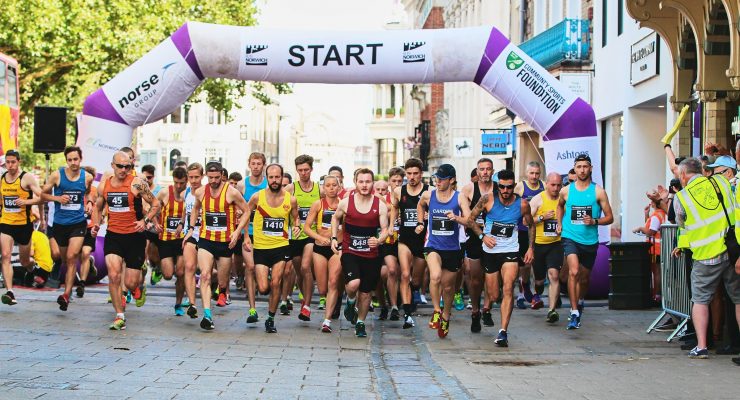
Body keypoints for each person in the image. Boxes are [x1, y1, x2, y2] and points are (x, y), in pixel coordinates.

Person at [668, 157, 740, 361]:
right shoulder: (722, 182)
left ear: (683, 175)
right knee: (738, 298)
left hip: (705, 255)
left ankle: (701, 346)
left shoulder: (681, 197)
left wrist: (682, 246)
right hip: (731, 249)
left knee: (700, 299)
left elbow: (682, 223)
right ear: (702, 170)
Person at [92, 151, 161, 330]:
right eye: (120, 166)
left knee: (130, 283)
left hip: (135, 236)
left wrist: (144, 221)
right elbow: (98, 206)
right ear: (112, 165)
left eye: (128, 166)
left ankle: (138, 287)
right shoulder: (105, 185)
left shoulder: (137, 184)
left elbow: (156, 204)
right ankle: (119, 315)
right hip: (114, 236)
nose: (124, 170)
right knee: (114, 275)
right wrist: (95, 224)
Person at [469, 169, 535, 347]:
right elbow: (470, 220)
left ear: (514, 186)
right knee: (494, 294)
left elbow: (531, 225)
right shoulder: (487, 199)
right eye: (503, 187)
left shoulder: (522, 204)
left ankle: (503, 331)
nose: (506, 191)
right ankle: (486, 308)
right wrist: (483, 236)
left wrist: (530, 248)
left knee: (508, 288)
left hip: (510, 250)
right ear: (498, 186)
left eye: (509, 187)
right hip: (490, 251)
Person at [184, 161, 250, 330]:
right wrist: (191, 229)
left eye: (216, 177)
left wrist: (237, 232)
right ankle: (207, 315)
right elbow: (195, 210)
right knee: (205, 275)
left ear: (222, 175)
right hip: (206, 240)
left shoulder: (231, 192)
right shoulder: (200, 192)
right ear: (206, 176)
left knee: (223, 280)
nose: (213, 181)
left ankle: (222, 290)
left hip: (225, 243)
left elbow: (247, 210)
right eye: (210, 177)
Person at [556, 154, 614, 330]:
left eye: (585, 166)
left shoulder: (598, 191)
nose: (582, 170)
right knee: (573, 271)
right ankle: (574, 313)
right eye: (579, 166)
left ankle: (580, 301)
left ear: (591, 169)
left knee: (584, 276)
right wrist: (559, 224)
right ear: (575, 168)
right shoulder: (566, 190)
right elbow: (559, 206)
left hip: (589, 240)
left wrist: (595, 221)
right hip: (569, 236)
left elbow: (610, 217)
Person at [331, 168, 389, 338]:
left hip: (371, 255)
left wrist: (378, 240)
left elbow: (385, 230)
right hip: (350, 252)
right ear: (355, 182)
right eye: (361, 181)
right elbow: (335, 218)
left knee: (365, 292)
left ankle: (361, 322)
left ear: (372, 183)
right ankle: (349, 301)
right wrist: (334, 238)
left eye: (368, 181)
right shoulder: (346, 202)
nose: (364, 185)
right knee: (354, 284)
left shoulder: (380, 205)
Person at [242, 163, 300, 333]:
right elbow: (246, 215)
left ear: (282, 177)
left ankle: (270, 318)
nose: (275, 181)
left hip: (281, 246)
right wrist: (246, 236)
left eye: (278, 177)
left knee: (276, 282)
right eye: (272, 177)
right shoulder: (257, 197)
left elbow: (296, 219)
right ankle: (266, 299)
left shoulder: (291, 199)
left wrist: (296, 226)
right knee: (263, 288)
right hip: (261, 247)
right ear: (267, 178)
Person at [415, 164, 469, 338]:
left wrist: (457, 218)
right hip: (433, 245)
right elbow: (420, 205)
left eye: (441, 179)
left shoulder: (459, 198)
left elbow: (469, 220)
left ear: (451, 180)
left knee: (448, 287)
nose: (437, 182)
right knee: (435, 276)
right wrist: (421, 222)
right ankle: (437, 310)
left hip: (452, 248)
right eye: (436, 178)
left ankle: (446, 315)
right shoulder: (428, 195)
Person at [40, 146, 94, 311]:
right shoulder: (57, 175)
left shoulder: (87, 177)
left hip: (78, 223)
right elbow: (42, 194)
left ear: (80, 159)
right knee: (63, 258)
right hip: (60, 224)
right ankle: (68, 289)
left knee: (72, 257)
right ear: (66, 161)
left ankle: (66, 294)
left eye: (75, 159)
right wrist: (57, 198)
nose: (73, 163)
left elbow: (89, 193)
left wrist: (90, 202)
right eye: (69, 160)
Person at [389, 158, 429, 329]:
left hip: (422, 240)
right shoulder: (399, 191)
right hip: (405, 238)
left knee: (416, 280)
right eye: (409, 174)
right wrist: (391, 225)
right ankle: (406, 314)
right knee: (405, 274)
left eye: (415, 174)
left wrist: (428, 216)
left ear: (421, 174)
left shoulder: (429, 191)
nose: (412, 177)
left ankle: (413, 292)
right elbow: (394, 208)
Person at [1, 149, 44, 306]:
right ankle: (10, 292)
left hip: (24, 225)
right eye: (7, 162)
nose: (10, 166)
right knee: (5, 255)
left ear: (19, 162)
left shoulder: (27, 178)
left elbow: (42, 198)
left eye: (13, 162)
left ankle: (33, 268)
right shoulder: (2, 178)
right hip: (6, 223)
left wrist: (26, 202)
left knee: (25, 261)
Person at [284, 155, 321, 321]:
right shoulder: (291, 189)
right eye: (300, 170)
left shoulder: (319, 189)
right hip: (295, 235)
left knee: (306, 267)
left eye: (306, 170)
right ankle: (303, 293)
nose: (303, 173)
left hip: (311, 235)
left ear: (311, 169)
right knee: (299, 271)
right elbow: (280, 208)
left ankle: (306, 305)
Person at [460, 158, 495, 331]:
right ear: (477, 171)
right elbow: (467, 219)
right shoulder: (468, 190)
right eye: (482, 169)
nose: (485, 172)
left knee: (492, 277)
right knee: (475, 279)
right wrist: (479, 232)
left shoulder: (499, 189)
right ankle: (475, 310)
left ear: (493, 171)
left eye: (488, 169)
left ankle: (487, 308)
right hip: (474, 237)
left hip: (495, 237)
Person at [304, 175, 342, 332]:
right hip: (320, 247)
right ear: (323, 188)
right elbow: (306, 227)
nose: (332, 188)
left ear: (339, 187)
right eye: (328, 185)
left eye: (334, 185)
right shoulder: (317, 204)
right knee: (322, 289)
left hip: (337, 249)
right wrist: (320, 238)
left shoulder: (343, 205)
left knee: (333, 281)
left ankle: (327, 320)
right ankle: (336, 297)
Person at [529, 172, 564, 322]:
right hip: (538, 244)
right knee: (539, 280)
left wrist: (562, 226)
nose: (556, 188)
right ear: (547, 184)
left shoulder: (564, 199)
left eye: (559, 185)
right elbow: (526, 221)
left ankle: (552, 310)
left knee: (554, 275)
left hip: (556, 243)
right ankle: (538, 291)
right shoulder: (538, 199)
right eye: (553, 185)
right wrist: (543, 217)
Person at [237, 152, 267, 323]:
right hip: (247, 233)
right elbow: (236, 206)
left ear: (263, 165)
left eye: (259, 164)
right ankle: (252, 308)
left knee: (262, 272)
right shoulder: (242, 185)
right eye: (253, 163)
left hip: (266, 234)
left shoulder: (267, 185)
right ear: (249, 164)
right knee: (250, 267)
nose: (256, 167)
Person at [155, 167, 188, 316]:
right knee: (168, 275)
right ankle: (158, 268)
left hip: (183, 240)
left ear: (186, 181)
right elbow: (153, 208)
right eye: (176, 182)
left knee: (181, 273)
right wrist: (156, 223)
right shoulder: (164, 192)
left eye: (182, 183)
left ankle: (178, 303)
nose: (179, 186)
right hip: (166, 239)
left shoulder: (190, 194)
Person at [514, 161, 544, 309]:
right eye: (531, 173)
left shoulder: (544, 186)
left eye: (537, 173)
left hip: (540, 230)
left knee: (536, 264)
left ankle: (535, 293)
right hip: (522, 230)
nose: (534, 176)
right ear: (527, 173)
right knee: (525, 265)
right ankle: (521, 293)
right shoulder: (520, 186)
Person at [378, 167, 404, 321]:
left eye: (400, 181)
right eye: (394, 181)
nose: (396, 184)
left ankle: (394, 304)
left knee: (397, 273)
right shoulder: (384, 199)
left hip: (402, 241)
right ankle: (387, 305)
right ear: (389, 182)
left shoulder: (406, 196)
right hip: (384, 241)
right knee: (385, 273)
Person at [633, 191, 667, 305]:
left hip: (655, 248)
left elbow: (650, 231)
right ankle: (657, 294)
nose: (650, 203)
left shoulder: (657, 216)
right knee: (657, 271)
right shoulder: (660, 214)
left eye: (652, 201)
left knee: (656, 272)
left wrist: (639, 228)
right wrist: (646, 214)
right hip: (657, 248)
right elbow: (650, 227)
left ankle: (656, 295)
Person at [180, 162, 204, 319]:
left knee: (206, 271)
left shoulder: (206, 192)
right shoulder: (186, 192)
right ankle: (192, 303)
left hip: (205, 234)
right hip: (190, 234)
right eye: (191, 177)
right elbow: (185, 211)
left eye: (197, 177)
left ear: (202, 176)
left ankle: (219, 288)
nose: (194, 180)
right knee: (189, 267)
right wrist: (182, 224)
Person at [141, 164, 162, 285]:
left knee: (155, 256)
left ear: (153, 177)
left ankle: (157, 268)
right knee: (144, 250)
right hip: (145, 225)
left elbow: (156, 207)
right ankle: (141, 283)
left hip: (157, 226)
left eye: (149, 178)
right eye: (145, 178)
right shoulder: (139, 188)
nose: (147, 180)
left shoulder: (159, 190)